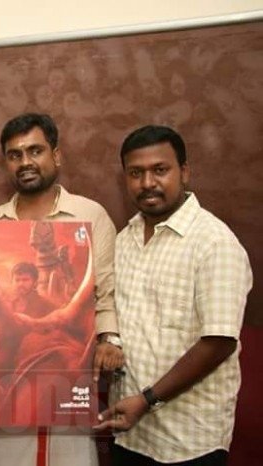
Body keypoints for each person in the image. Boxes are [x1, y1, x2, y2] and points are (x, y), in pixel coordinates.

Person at [94, 125, 252, 465]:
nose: (147, 182)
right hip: (131, 433)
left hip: (189, 440)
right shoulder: (125, 240)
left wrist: (147, 400)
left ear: (184, 172)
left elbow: (219, 342)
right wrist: (109, 341)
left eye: (160, 170)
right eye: (135, 173)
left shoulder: (214, 243)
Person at [0, 113, 124, 466]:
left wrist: (109, 339)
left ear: (55, 155)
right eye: (15, 155)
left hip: (68, 373)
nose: (25, 162)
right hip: (11, 378)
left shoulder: (90, 215)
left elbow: (106, 291)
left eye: (35, 151)